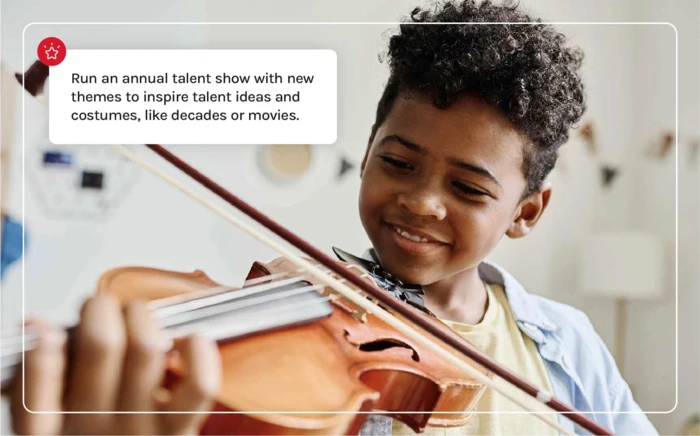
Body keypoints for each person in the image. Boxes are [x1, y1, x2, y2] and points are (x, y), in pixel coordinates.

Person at [9, 0, 658, 434]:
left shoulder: (567, 347)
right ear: (369, 150)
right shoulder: (304, 314)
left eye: (466, 186)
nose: (422, 201)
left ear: (526, 212)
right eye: (399, 163)